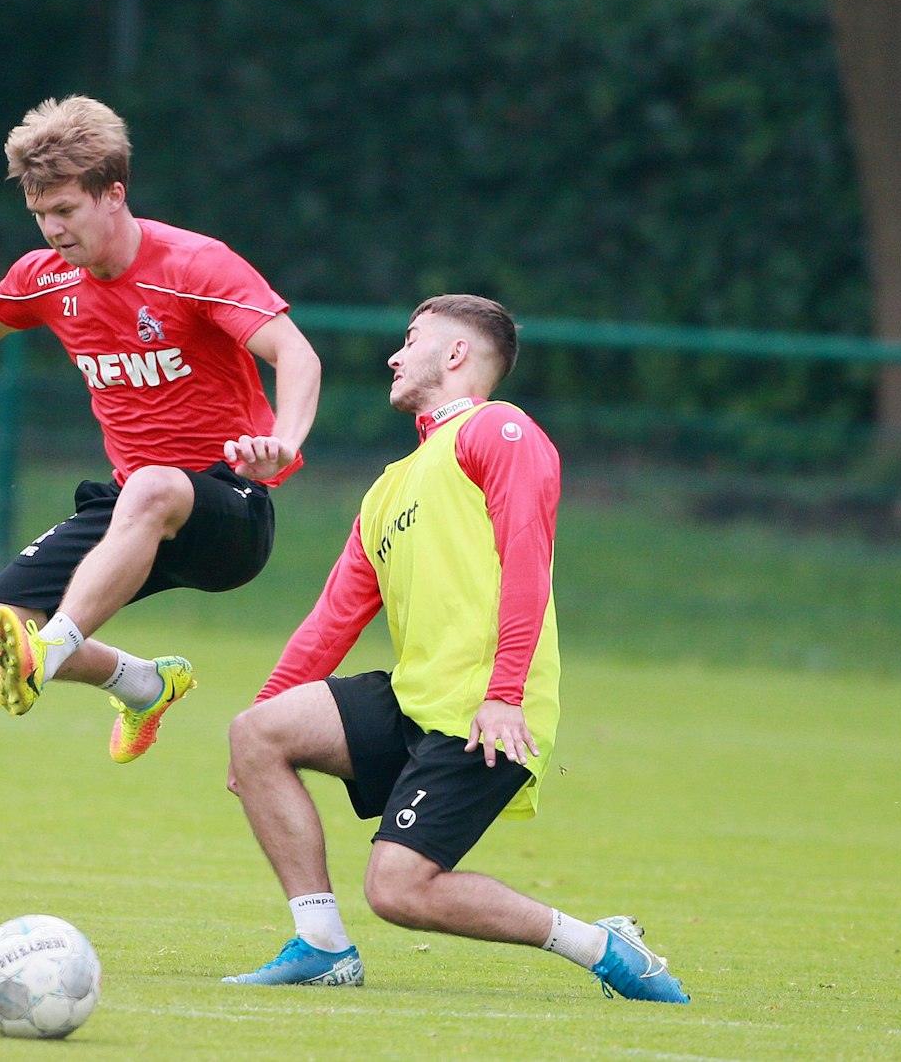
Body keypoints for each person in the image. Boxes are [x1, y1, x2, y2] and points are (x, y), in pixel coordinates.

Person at [0, 96, 321, 763]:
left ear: (114, 194)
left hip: (230, 508)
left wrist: (283, 440)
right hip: (132, 506)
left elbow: (296, 352)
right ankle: (143, 682)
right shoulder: (49, 278)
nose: (52, 229)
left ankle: (49, 652)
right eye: (40, 215)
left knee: (152, 490)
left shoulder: (194, 265)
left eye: (65, 211)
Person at [219, 295, 688, 1002]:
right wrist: (258, 726)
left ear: (457, 354)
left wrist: (504, 693)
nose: (394, 355)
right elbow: (331, 619)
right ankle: (321, 947)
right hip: (416, 699)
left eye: (410, 340)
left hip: (486, 711)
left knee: (398, 889)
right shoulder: (391, 484)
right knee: (256, 732)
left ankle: (600, 944)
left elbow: (526, 558)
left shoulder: (498, 429)